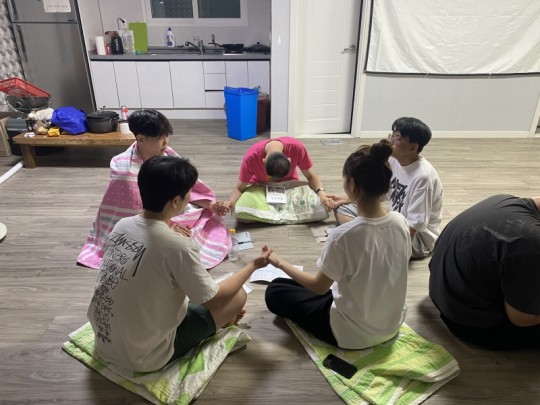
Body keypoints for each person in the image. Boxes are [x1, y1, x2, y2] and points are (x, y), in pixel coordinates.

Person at [87, 155, 272, 372]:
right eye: (189, 193)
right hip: (143, 357)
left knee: (183, 289)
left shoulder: (122, 225)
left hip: (104, 343)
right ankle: (219, 323)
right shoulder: (178, 246)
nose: (190, 197)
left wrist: (169, 231)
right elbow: (212, 299)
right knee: (237, 295)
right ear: (176, 201)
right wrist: (252, 266)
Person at [264, 140, 412, 349]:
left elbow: (318, 287)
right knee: (323, 282)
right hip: (391, 325)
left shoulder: (342, 236)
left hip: (351, 335)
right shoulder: (400, 222)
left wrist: (278, 262)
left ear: (352, 185)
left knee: (275, 290)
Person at [77, 109, 230, 270]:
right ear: (140, 139)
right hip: (147, 221)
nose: (166, 142)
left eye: (166, 136)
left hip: (162, 210)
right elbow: (132, 215)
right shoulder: (125, 171)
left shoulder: (165, 154)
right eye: (160, 138)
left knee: (204, 218)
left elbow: (185, 184)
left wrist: (210, 205)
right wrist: (167, 227)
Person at [429, 194, 540, 350]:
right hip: (471, 323)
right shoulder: (533, 246)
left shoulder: (504, 200)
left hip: (442, 290)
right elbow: (521, 319)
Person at [333, 117, 443, 259]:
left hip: (416, 239)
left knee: (364, 230)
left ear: (413, 147)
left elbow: (415, 225)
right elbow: (378, 192)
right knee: (342, 209)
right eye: (392, 135)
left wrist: (379, 232)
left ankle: (364, 240)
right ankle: (365, 239)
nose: (391, 140)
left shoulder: (423, 177)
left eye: (398, 137)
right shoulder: (393, 161)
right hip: (393, 222)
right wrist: (347, 199)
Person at [223, 137, 335, 213]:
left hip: (289, 185)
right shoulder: (251, 158)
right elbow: (239, 187)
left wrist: (322, 194)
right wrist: (230, 203)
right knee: (241, 213)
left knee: (317, 205)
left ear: (289, 160)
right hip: (260, 186)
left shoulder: (297, 148)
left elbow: (311, 176)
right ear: (263, 161)